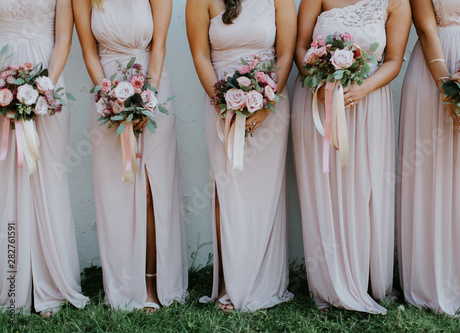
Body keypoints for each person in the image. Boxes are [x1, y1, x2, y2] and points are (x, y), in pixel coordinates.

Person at [292, 0, 410, 314]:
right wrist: (318, 83)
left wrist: (362, 89)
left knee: (364, 189)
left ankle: (367, 279)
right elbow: (301, 45)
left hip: (368, 103)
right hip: (319, 102)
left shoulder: (396, 2)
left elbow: (394, 60)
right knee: (324, 188)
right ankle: (330, 283)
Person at [73, 0, 187, 312]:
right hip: (107, 97)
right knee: (116, 192)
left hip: (153, 89)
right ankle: (123, 285)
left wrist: (146, 99)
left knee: (153, 190)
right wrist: (110, 96)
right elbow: (89, 52)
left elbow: (159, 45)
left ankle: (153, 284)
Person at [186, 0, 296, 312]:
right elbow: (200, 55)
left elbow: (286, 53)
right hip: (221, 103)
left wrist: (265, 101)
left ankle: (266, 279)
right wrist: (223, 102)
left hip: (270, 104)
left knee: (265, 192)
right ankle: (227, 282)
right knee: (228, 189)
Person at [397, 0, 460, 316]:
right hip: (435, 70)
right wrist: (446, 88)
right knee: (433, 175)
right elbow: (426, 29)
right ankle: (436, 276)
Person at [0, 0, 89, 316]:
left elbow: (64, 38)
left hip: (48, 84)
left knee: (48, 177)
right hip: (2, 80)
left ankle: (51, 284)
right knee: (7, 182)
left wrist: (43, 88)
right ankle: (11, 283)